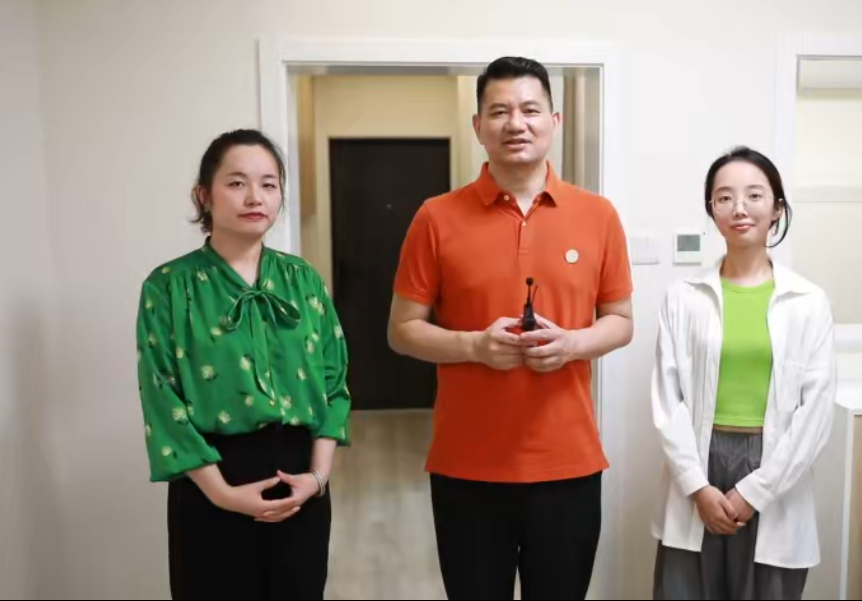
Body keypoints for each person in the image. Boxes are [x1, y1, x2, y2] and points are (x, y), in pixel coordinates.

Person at [388, 56, 634, 600]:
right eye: (499, 112)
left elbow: (620, 322)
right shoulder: (435, 217)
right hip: (466, 466)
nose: (515, 123)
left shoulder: (599, 216)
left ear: (555, 121)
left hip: (568, 464)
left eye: (530, 109)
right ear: (478, 126)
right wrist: (474, 345)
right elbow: (402, 330)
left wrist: (571, 344)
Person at [135, 129, 351, 600]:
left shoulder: (303, 280)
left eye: (269, 184)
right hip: (211, 484)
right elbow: (161, 397)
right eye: (236, 183)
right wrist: (223, 494)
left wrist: (317, 478)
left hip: (299, 482)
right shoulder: (168, 286)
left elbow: (334, 383)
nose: (255, 197)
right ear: (203, 196)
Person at [650, 147, 837, 600]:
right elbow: (667, 401)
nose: (739, 208)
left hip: (776, 465)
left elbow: (815, 413)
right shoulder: (683, 297)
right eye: (724, 197)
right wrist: (697, 487)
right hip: (699, 461)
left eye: (754, 195)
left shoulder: (808, 301)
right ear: (712, 209)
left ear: (777, 208)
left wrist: (756, 491)